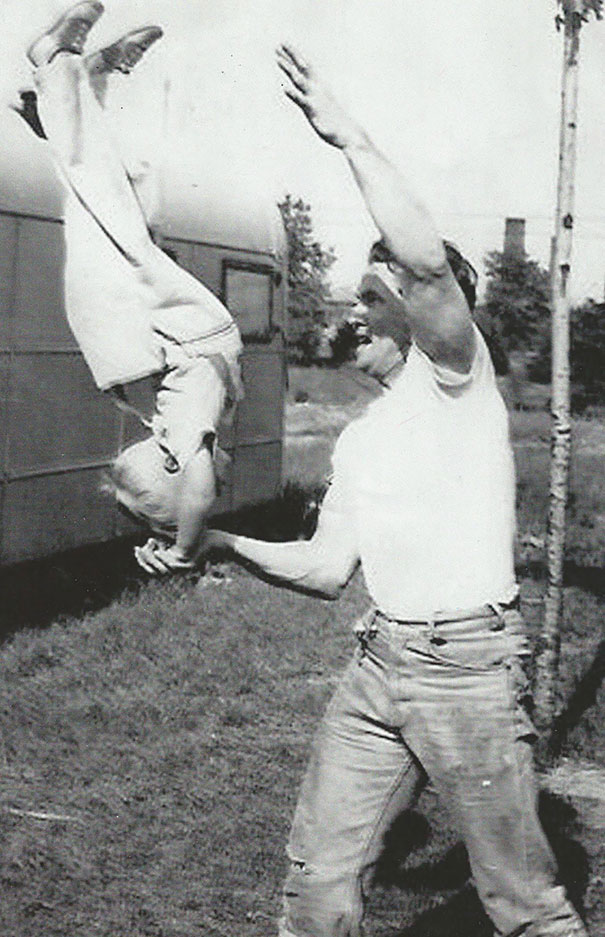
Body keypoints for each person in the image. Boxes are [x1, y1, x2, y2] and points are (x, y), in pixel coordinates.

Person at [206, 45, 589, 937]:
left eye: (372, 297)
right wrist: (219, 542)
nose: (355, 312)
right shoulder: (364, 435)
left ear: (418, 312)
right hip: (378, 664)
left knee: (523, 904)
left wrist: (350, 138)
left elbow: (425, 269)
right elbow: (323, 568)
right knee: (316, 877)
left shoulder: (456, 379)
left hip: (467, 672)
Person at [17, 1, 243, 575]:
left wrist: (184, 544)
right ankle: (78, 83)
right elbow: (195, 482)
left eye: (211, 491)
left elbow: (196, 485)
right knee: (121, 205)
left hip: (151, 327)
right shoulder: (177, 425)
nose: (221, 481)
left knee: (107, 204)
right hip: (159, 328)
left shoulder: (183, 434)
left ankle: (65, 72)